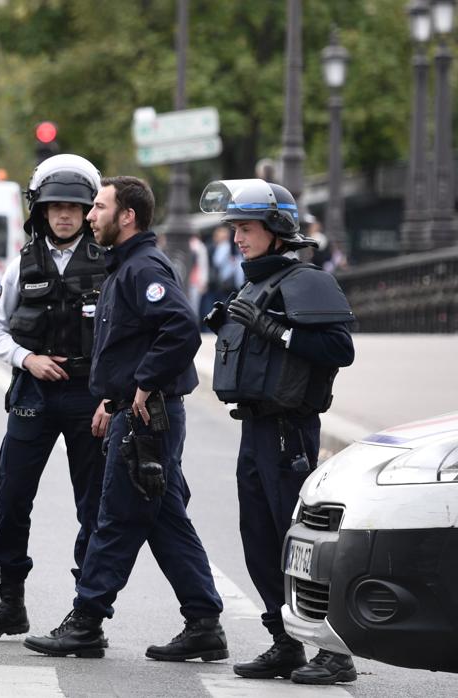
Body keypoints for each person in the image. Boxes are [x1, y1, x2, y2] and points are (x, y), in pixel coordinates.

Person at [24, 176, 227, 663]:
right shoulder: (124, 266)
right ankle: (204, 622)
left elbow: (181, 328)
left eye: (98, 206)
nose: (90, 215)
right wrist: (114, 399)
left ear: (127, 216)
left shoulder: (143, 267)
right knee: (165, 520)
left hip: (147, 418)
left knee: (114, 517)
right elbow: (132, 344)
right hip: (134, 412)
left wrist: (142, 384)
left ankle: (87, 621)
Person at [201, 179, 357, 685]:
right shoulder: (255, 282)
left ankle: (334, 651)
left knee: (300, 545)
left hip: (289, 431)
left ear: (275, 230)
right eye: (234, 230)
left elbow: (339, 350)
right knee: (258, 539)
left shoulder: (306, 280)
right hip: (255, 427)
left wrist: (275, 330)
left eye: (245, 229)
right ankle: (285, 641)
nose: (237, 239)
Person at [0, 154, 108, 641]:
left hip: (90, 397)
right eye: (55, 207)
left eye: (74, 206)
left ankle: (86, 614)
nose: (64, 215)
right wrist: (28, 359)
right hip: (34, 393)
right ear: (40, 211)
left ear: (89, 210)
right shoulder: (21, 264)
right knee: (12, 496)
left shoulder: (110, 264)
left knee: (92, 505)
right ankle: (10, 602)